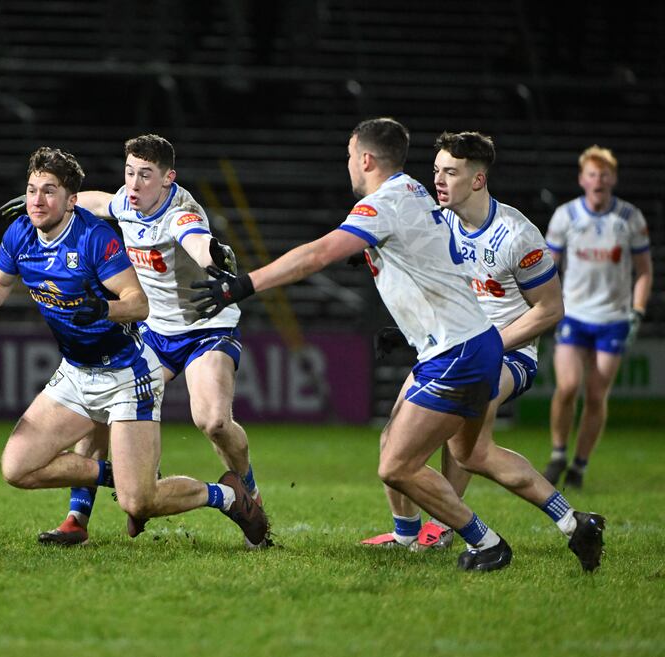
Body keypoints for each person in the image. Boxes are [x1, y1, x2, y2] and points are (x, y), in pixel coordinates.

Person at [194, 117, 530, 571]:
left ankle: (484, 540)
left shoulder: (385, 204)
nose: (349, 164)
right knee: (422, 445)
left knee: (407, 460)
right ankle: (549, 522)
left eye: (351, 156)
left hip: (459, 349)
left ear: (366, 159)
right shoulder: (413, 190)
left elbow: (315, 254)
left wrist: (244, 285)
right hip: (458, 344)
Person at [0, 146, 269, 548]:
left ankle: (232, 496)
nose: (36, 200)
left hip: (156, 353)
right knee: (17, 468)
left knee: (149, 491)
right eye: (32, 190)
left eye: (48, 191)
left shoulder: (105, 235)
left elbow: (161, 276)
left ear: (167, 177)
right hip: (81, 369)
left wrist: (213, 259)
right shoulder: (27, 229)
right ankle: (97, 500)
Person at [359, 131, 604, 571]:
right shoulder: (440, 221)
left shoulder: (517, 235)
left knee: (461, 447)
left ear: (477, 179)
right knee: (405, 439)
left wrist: (488, 342)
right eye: (435, 170)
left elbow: (550, 310)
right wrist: (409, 329)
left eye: (450, 172)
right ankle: (409, 534)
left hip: (510, 355)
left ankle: (449, 531)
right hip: (453, 346)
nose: (438, 180)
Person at [543, 146, 652, 490]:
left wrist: (636, 312)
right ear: (582, 179)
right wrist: (547, 305)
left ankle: (579, 464)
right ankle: (559, 452)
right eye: (592, 174)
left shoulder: (630, 218)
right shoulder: (566, 217)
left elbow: (644, 271)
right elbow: (549, 267)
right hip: (574, 314)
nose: (598, 180)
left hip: (613, 318)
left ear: (613, 179)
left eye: (604, 174)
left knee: (595, 395)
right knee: (567, 387)